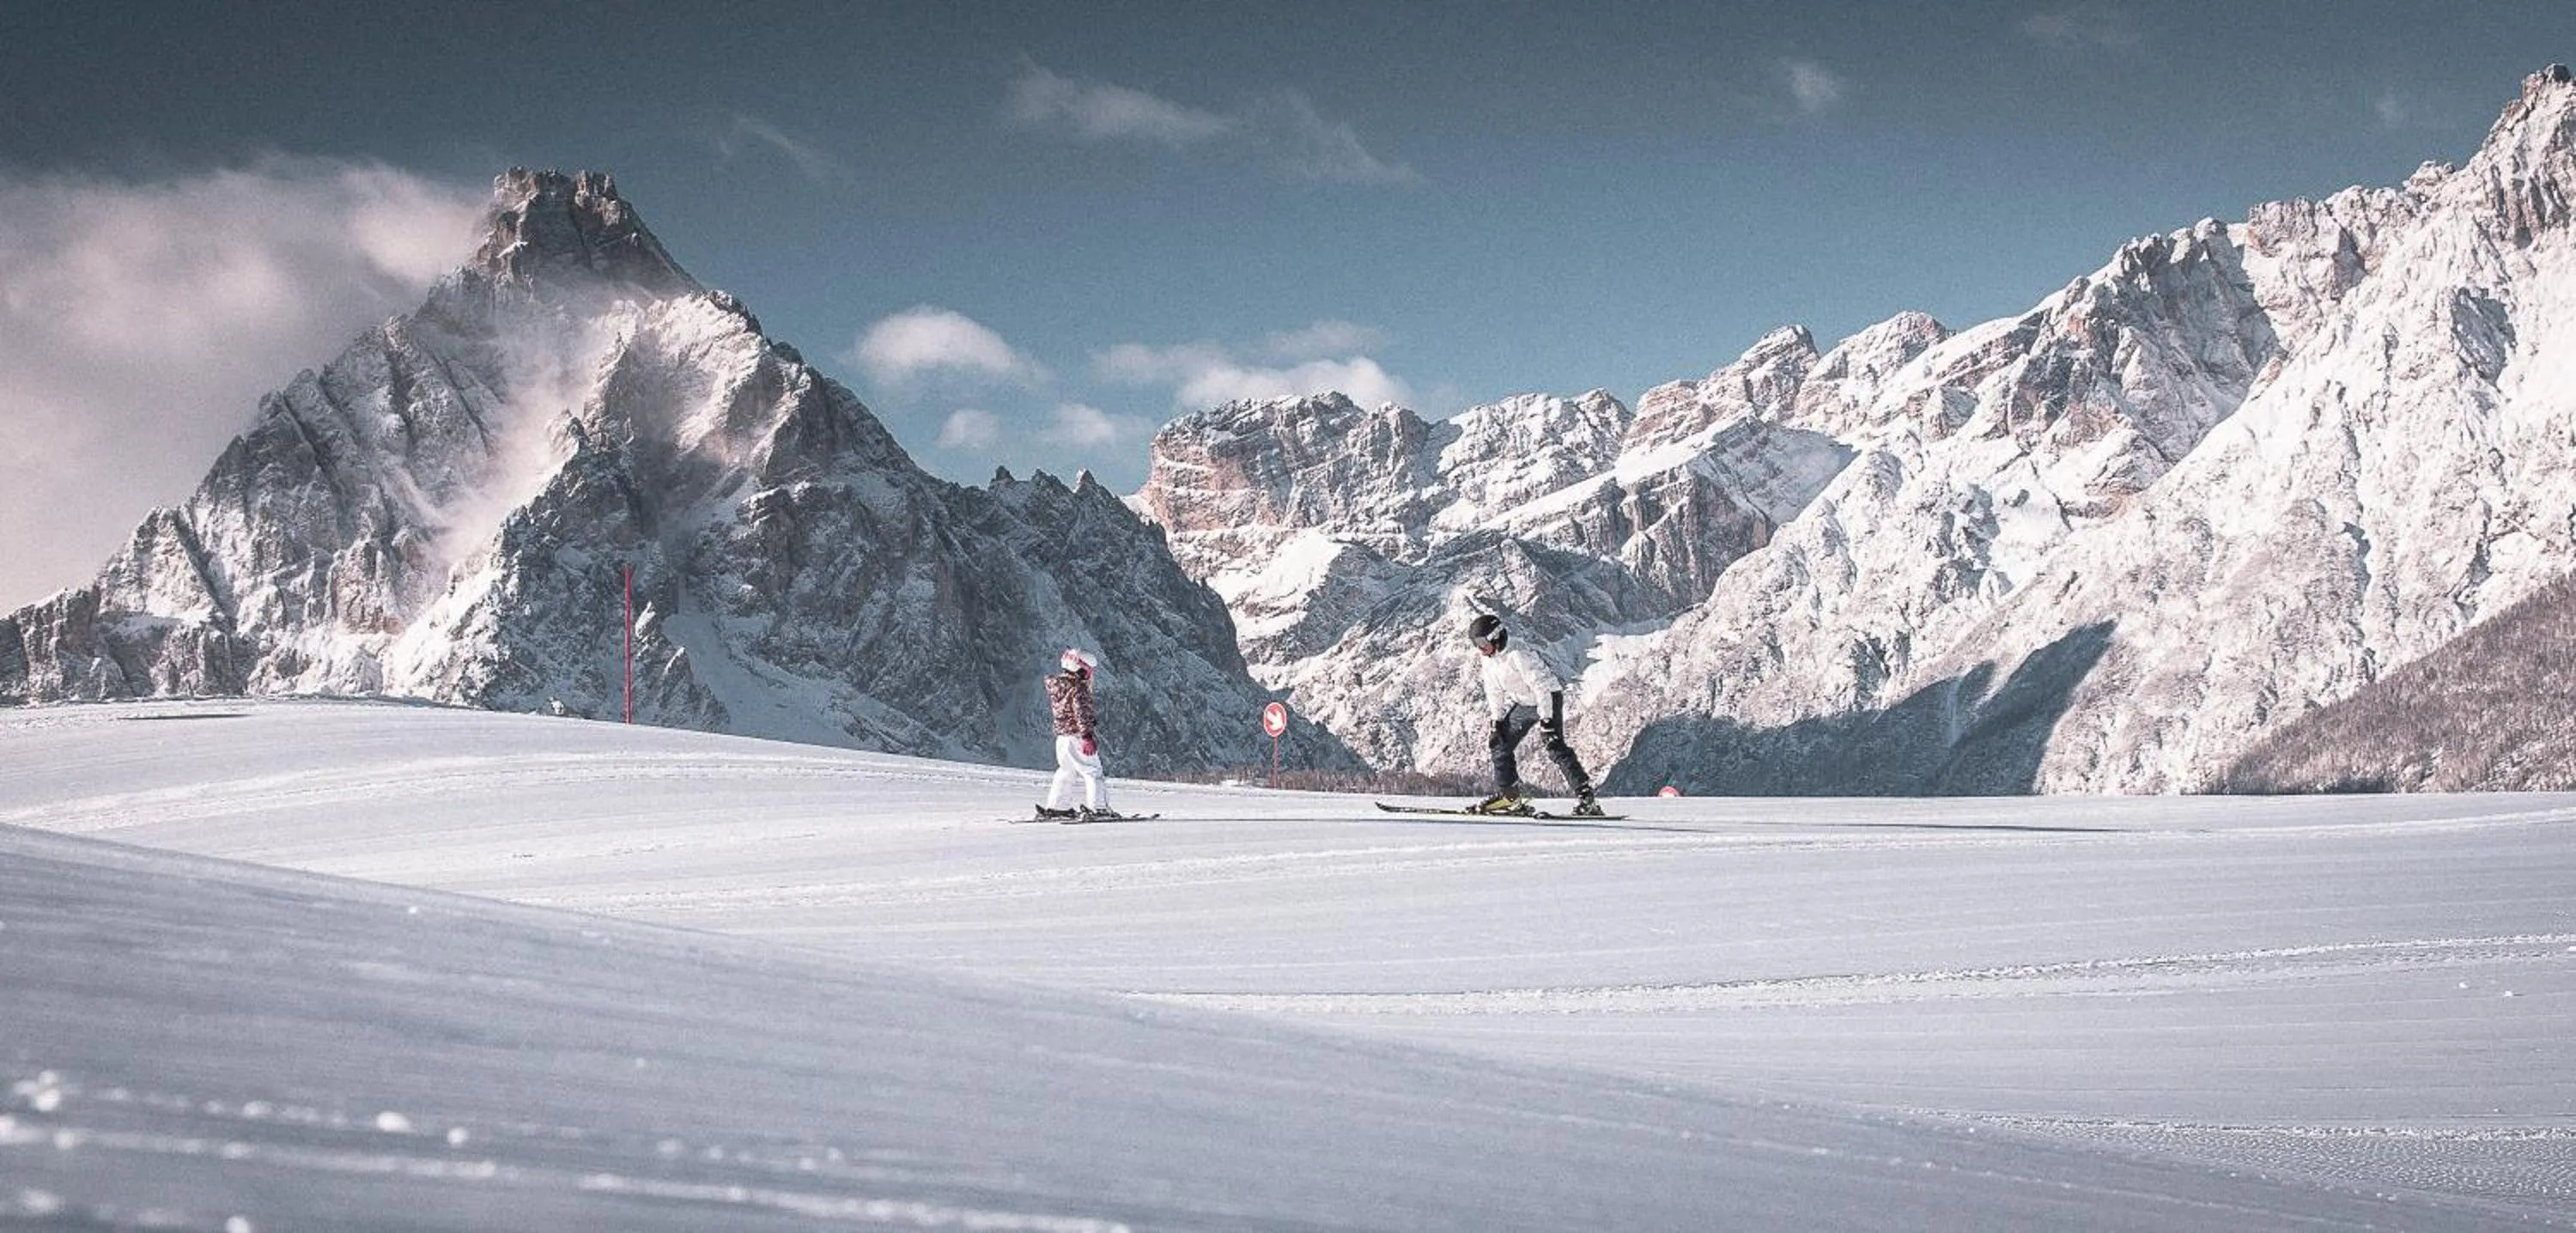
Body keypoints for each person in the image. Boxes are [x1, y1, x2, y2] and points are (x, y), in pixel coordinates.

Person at [1467, 614, 1603, 817]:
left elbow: (1542, 687)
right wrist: (1497, 720)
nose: (1480, 648)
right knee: (1499, 743)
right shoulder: (1490, 660)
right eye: (1476, 643)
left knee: (1554, 745)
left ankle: (1587, 799)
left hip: (1547, 697)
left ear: (1496, 637)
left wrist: (1547, 719)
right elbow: (1493, 691)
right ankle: (1509, 798)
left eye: (1482, 642)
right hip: (1524, 703)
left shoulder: (1518, 654)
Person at [1039, 647, 1118, 819]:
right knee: (1093, 771)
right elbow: (1081, 713)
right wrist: (1087, 737)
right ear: (1079, 669)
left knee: (1066, 772)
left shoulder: (1058, 686)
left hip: (1062, 737)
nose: (1090, 675)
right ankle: (1099, 808)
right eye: (1088, 670)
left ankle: (1057, 807)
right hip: (1077, 736)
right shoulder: (1078, 688)